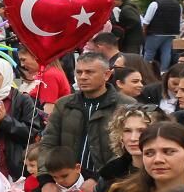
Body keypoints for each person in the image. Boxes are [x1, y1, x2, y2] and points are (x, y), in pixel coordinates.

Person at [43, 51, 124, 180]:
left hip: (108, 184)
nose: (82, 77)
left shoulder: (125, 106)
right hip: (65, 183)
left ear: (107, 75)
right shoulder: (64, 104)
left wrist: (99, 179)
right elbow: (48, 143)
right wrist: (45, 180)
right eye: (79, 72)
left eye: (89, 72)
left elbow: (125, 152)